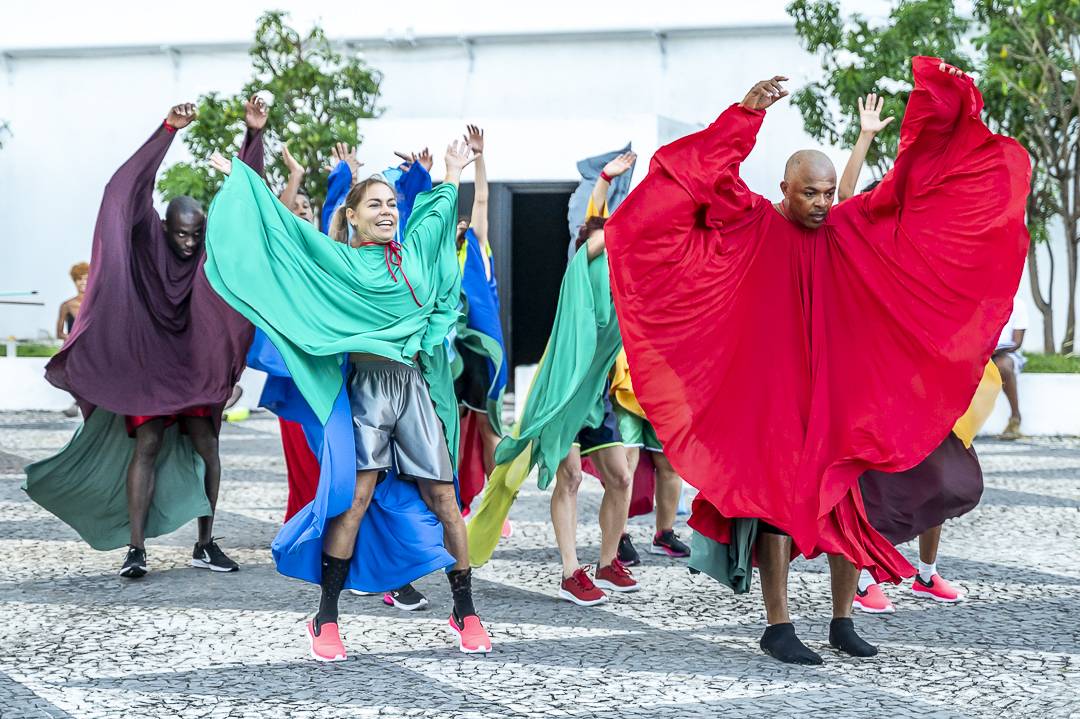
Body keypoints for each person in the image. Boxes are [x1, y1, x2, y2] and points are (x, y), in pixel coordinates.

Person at [604, 58, 1030, 664]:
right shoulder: (753, 222)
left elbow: (908, 194)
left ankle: (841, 619)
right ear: (785, 188)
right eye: (811, 193)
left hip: (835, 396)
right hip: (775, 396)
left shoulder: (845, 227)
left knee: (843, 502)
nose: (824, 203)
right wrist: (745, 117)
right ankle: (778, 626)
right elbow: (694, 181)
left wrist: (941, 111)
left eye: (830, 193)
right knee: (779, 508)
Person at [204, 138, 492, 659]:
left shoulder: (414, 256)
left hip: (414, 391)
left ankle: (465, 610)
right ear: (353, 217)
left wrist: (452, 169)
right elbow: (286, 235)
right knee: (355, 501)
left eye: (392, 204)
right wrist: (243, 180)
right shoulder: (339, 262)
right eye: (375, 205)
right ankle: (326, 618)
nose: (387, 212)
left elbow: (441, 207)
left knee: (446, 500)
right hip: (365, 391)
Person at [25, 97, 267, 579]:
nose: (189, 244)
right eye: (181, 235)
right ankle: (136, 549)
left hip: (194, 362)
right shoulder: (146, 240)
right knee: (148, 444)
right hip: (151, 362)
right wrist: (166, 132)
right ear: (164, 228)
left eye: (196, 235)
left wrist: (253, 137)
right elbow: (122, 192)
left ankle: (205, 542)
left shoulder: (205, 252)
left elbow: (244, 209)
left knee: (208, 445)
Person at [839, 93, 1002, 612]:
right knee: (872, 484)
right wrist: (866, 138)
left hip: (925, 384)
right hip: (873, 386)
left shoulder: (916, 252)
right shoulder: (865, 246)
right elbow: (844, 196)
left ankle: (926, 573)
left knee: (944, 474)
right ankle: (864, 576)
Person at [467, 215, 639, 607]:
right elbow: (596, 243)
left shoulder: (625, 285)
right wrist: (616, 201)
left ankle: (608, 562)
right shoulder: (578, 279)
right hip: (563, 394)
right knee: (572, 478)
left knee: (621, 476)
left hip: (594, 397)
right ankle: (569, 572)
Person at [453, 125, 510, 536]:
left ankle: (494, 509)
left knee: (489, 432)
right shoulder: (439, 259)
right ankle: (453, 501)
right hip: (452, 355)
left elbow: (484, 199)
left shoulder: (478, 247)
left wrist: (479, 158)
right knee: (450, 432)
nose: (460, 224)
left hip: (485, 353)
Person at [609, 350, 690, 563]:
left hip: (665, 372)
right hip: (628, 366)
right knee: (625, 461)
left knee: (670, 461)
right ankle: (618, 537)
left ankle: (664, 534)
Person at [993, 294, 1029, 440]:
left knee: (1003, 366)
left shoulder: (1018, 305)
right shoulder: (979, 302)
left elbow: (1016, 342)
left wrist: (996, 350)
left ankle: (1015, 417)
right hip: (979, 352)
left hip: (1006, 353)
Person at [55, 262, 89, 341]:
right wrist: (72, 338)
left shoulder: (97, 304)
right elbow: (59, 334)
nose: (83, 282)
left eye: (86, 279)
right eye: (79, 279)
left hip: (93, 348)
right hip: (74, 348)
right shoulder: (66, 305)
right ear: (75, 281)